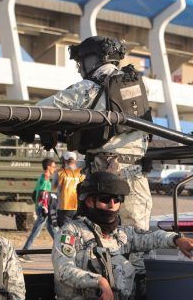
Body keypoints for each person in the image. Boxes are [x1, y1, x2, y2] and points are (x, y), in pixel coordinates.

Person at [52, 171, 193, 300]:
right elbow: (63, 269)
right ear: (90, 201)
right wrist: (99, 281)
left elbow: (152, 237)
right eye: (105, 199)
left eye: (117, 199)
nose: (112, 205)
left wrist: (177, 239)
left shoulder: (123, 234)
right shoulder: (70, 232)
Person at [37, 36, 153, 230]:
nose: (80, 68)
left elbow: (42, 108)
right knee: (136, 237)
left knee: (95, 236)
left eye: (81, 62)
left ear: (92, 60)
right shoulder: (139, 86)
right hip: (136, 176)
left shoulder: (88, 88)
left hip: (103, 178)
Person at [20, 158, 58, 258]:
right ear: (48, 167)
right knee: (36, 231)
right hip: (43, 208)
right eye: (53, 167)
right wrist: (44, 207)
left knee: (51, 228)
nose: (55, 169)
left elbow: (35, 193)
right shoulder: (46, 177)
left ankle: (60, 248)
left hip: (41, 207)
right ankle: (24, 252)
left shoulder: (42, 176)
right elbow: (43, 193)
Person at [55, 151, 84, 227]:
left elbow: (54, 187)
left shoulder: (60, 172)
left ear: (64, 161)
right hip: (77, 206)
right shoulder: (81, 173)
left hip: (64, 206)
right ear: (75, 161)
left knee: (63, 229)